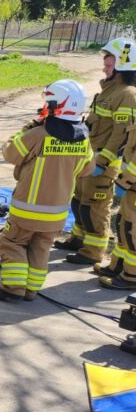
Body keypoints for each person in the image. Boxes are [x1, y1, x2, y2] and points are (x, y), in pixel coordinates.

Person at [0, 80, 94, 303]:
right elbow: (87, 169)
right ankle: (31, 290)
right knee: (41, 248)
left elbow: (10, 152)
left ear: (56, 105)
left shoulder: (39, 134)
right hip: (56, 214)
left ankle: (13, 289)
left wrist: (29, 126)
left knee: (13, 243)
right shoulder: (83, 140)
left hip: (27, 209)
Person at [56, 37, 136, 268]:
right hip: (89, 159)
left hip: (102, 163)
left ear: (123, 62)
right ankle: (78, 240)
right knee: (79, 202)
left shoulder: (127, 95)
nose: (104, 64)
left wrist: (102, 162)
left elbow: (121, 136)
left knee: (95, 208)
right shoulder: (109, 90)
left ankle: (94, 250)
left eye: (109, 60)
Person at [99, 76, 136, 289]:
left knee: (132, 231)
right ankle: (118, 266)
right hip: (130, 188)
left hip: (132, 185)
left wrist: (124, 181)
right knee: (123, 224)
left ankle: (131, 277)